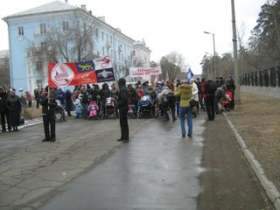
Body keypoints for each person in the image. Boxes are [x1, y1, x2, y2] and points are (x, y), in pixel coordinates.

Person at [117, 78, 129, 143]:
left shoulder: (123, 89)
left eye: (119, 82)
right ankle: (123, 137)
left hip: (123, 108)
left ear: (121, 82)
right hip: (124, 108)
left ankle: (125, 137)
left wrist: (118, 103)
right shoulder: (124, 88)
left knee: (124, 123)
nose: (118, 83)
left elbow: (124, 99)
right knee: (123, 123)